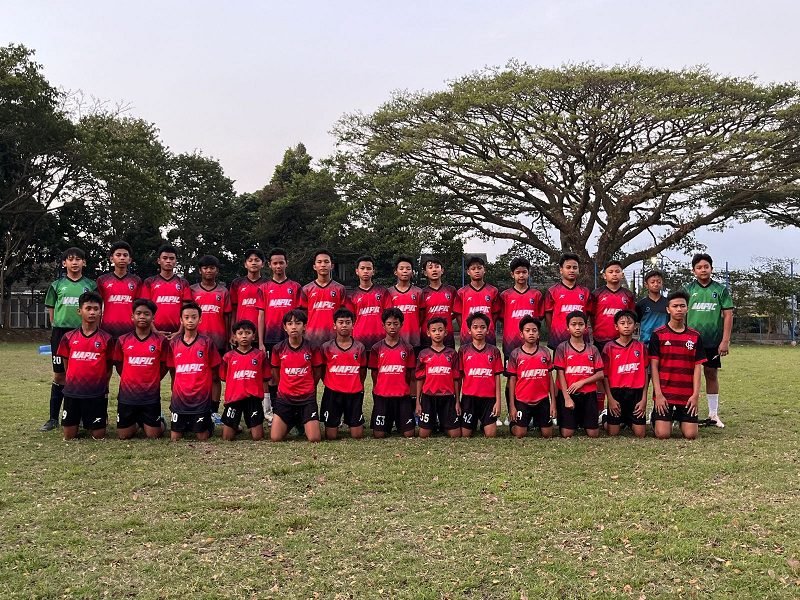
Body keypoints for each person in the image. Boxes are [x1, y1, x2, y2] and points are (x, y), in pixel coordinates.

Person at [41, 247, 97, 431]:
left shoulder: (90, 285)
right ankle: (53, 418)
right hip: (60, 334)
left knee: (80, 374)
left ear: (84, 263)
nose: (74, 262)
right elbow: (52, 311)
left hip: (83, 333)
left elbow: (96, 309)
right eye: (70, 259)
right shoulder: (56, 285)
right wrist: (57, 327)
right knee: (60, 375)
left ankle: (78, 416)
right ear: (64, 263)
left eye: (78, 259)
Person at [684, 253, 734, 428]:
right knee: (687, 376)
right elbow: (679, 313)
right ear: (694, 271)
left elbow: (728, 315)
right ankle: (685, 413)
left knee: (711, 373)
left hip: (713, 341)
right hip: (690, 341)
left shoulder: (720, 290)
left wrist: (725, 340)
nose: (703, 270)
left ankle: (713, 414)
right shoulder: (688, 290)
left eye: (706, 267)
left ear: (711, 268)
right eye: (699, 267)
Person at [649, 291, 706, 440]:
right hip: (665, 394)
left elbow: (697, 368)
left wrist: (695, 395)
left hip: (686, 394)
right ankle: (656, 416)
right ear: (668, 309)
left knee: (691, 435)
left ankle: (679, 418)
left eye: (682, 306)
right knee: (663, 434)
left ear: (687, 308)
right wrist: (658, 394)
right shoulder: (658, 334)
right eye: (675, 306)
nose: (679, 309)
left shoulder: (695, 336)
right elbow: (654, 366)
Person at [56, 292, 113, 440]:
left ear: (100, 312)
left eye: (96, 309)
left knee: (98, 436)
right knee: (69, 436)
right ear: (79, 311)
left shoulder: (107, 338)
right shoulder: (68, 337)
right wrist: (72, 381)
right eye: (88, 308)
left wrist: (102, 386)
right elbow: (67, 364)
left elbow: (108, 368)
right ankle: (78, 419)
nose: (92, 312)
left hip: (96, 393)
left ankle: (92, 420)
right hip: (73, 392)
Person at [256, 247, 303, 420]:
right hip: (270, 339)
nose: (278, 266)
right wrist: (261, 342)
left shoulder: (295, 287)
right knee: (271, 376)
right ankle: (272, 412)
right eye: (275, 263)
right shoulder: (264, 288)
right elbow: (261, 316)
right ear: (269, 265)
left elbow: (300, 316)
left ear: (286, 264)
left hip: (291, 340)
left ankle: (293, 411)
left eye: (281, 263)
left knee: (290, 374)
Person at [113, 299, 168, 440]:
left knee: (153, 435)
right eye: (138, 313)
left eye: (146, 314)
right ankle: (138, 422)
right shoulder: (122, 340)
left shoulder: (160, 341)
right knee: (124, 436)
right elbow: (119, 365)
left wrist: (153, 379)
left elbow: (164, 366)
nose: (142, 317)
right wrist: (129, 378)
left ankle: (160, 420)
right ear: (132, 317)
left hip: (150, 396)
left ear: (153, 318)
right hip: (127, 397)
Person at [166, 302, 222, 441]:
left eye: (194, 317)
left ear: (200, 319)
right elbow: (173, 373)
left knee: (202, 437)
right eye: (186, 317)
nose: (190, 320)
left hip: (200, 401)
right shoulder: (174, 344)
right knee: (175, 438)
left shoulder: (207, 343)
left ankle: (208, 421)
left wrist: (213, 404)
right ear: (181, 320)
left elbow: (215, 376)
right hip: (180, 401)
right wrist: (175, 397)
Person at [499, 256, 544, 424]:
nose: (521, 275)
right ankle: (511, 414)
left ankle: (534, 415)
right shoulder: (505, 295)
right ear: (512, 274)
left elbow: (539, 317)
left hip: (532, 346)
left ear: (528, 273)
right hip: (511, 345)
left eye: (524, 272)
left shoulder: (536, 295)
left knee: (533, 378)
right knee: (511, 378)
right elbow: (500, 317)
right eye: (518, 272)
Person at [269, 310, 324, 442]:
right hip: (285, 398)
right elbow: (275, 371)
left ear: (304, 326)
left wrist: (309, 386)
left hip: (306, 399)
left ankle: (301, 420)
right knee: (275, 437)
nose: (294, 327)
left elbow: (317, 371)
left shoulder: (312, 347)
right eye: (290, 324)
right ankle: (293, 421)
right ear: (285, 327)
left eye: (298, 323)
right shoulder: (278, 348)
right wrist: (284, 385)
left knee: (314, 438)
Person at [191, 255, 232, 419]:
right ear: (200, 270)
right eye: (205, 268)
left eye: (212, 268)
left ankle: (214, 412)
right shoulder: (193, 290)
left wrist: (228, 339)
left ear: (217, 270)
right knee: (197, 376)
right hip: (197, 342)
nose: (209, 270)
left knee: (215, 377)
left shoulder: (223, 291)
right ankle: (197, 409)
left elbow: (227, 317)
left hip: (218, 341)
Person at [553, 310, 604, 439]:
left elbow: (600, 374)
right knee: (567, 433)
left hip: (588, 394)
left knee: (593, 434)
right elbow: (560, 374)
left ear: (585, 327)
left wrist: (582, 382)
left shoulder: (593, 349)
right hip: (569, 394)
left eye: (581, 324)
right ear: (568, 327)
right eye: (573, 324)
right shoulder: (562, 348)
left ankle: (596, 418)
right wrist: (567, 398)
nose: (577, 327)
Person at [368, 308, 417, 438]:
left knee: (409, 434)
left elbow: (410, 375)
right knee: (379, 434)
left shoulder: (408, 348)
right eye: (389, 324)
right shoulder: (376, 348)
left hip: (402, 396)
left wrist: (410, 395)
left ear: (401, 325)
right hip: (383, 396)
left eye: (396, 324)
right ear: (383, 325)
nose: (392, 327)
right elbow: (374, 373)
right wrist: (377, 390)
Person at [319, 308, 367, 440]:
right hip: (332, 393)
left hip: (354, 393)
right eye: (341, 322)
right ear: (334, 325)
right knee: (330, 436)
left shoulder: (360, 347)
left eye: (348, 322)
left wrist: (357, 384)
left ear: (353, 325)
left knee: (357, 435)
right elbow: (322, 370)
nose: (344, 325)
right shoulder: (326, 347)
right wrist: (330, 383)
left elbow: (362, 371)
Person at [506, 316, 556, 439]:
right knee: (520, 433)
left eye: (534, 330)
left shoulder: (545, 352)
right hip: (522, 400)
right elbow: (512, 381)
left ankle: (536, 421)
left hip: (542, 400)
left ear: (539, 334)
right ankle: (514, 423)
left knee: (547, 434)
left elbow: (550, 378)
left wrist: (553, 403)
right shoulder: (515, 354)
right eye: (527, 330)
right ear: (521, 334)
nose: (531, 333)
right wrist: (512, 406)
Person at [219, 320, 269, 441]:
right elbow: (224, 377)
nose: (244, 336)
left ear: (254, 336)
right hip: (234, 399)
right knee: (227, 437)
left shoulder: (260, 355)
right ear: (234, 337)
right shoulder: (228, 357)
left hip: (253, 399)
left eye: (248, 333)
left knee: (257, 437)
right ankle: (235, 426)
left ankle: (252, 424)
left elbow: (265, 377)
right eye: (240, 333)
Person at [601, 310, 648, 438]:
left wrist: (644, 398)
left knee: (640, 434)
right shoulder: (609, 347)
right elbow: (605, 376)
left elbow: (645, 373)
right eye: (622, 323)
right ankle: (605, 417)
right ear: (616, 326)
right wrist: (610, 399)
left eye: (629, 323)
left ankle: (628, 420)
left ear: (635, 326)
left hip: (636, 393)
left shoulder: (641, 347)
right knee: (613, 433)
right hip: (616, 393)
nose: (626, 326)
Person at [458, 312, 503, 438]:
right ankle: (472, 423)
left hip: (488, 399)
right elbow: (459, 378)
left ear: (487, 330)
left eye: (482, 327)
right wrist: (457, 401)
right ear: (469, 330)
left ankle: (484, 423)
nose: (479, 330)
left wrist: (498, 402)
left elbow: (497, 377)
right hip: (469, 399)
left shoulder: (494, 351)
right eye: (475, 327)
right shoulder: (463, 350)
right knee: (465, 434)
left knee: (491, 435)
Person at [415, 317, 462, 439]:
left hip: (447, 397)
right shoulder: (423, 354)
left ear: (445, 332)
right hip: (428, 397)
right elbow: (420, 379)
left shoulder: (452, 354)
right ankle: (434, 423)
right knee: (423, 435)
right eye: (434, 330)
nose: (437, 333)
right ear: (428, 333)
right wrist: (418, 402)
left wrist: (457, 401)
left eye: (440, 330)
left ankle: (443, 424)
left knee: (455, 435)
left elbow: (456, 379)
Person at [141, 244, 192, 339]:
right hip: (154, 334)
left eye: (172, 258)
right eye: (165, 258)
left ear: (175, 261)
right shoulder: (149, 282)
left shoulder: (183, 283)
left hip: (177, 334)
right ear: (159, 261)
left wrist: (180, 332)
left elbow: (187, 310)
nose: (168, 261)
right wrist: (154, 331)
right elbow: (145, 309)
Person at [544, 253, 592, 352]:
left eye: (575, 268)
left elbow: (587, 313)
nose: (572, 270)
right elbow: (548, 313)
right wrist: (553, 330)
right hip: (559, 338)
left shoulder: (585, 292)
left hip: (581, 338)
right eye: (568, 267)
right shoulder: (552, 291)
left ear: (578, 270)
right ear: (561, 270)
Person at [300, 249, 347, 349]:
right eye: (319, 262)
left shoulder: (340, 289)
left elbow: (345, 315)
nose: (323, 265)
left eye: (326, 262)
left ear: (332, 266)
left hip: (335, 338)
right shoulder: (306, 289)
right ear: (314, 266)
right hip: (312, 338)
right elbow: (302, 316)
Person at [96, 241, 142, 340]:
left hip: (130, 330)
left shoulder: (136, 280)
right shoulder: (102, 280)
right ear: (111, 258)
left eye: (125, 255)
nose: (122, 258)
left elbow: (139, 307)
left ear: (129, 260)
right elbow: (97, 306)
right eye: (118, 255)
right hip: (107, 329)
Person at [346, 255, 390, 357]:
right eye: (362, 268)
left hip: (381, 340)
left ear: (373, 271)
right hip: (359, 341)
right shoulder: (351, 295)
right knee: (360, 367)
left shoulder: (383, 292)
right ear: (357, 271)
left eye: (369, 268)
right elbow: (349, 320)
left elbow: (389, 317)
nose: (365, 271)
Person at [454, 255, 501, 346]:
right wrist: (466, 327)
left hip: (488, 334)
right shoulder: (461, 292)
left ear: (484, 270)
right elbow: (458, 314)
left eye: (479, 268)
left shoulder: (493, 291)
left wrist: (489, 326)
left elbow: (495, 313)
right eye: (473, 269)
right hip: (467, 335)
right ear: (468, 272)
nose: (476, 271)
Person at [386, 256, 424, 353]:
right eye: (401, 268)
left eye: (408, 268)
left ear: (412, 272)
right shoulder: (389, 293)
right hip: (394, 341)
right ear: (395, 272)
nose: (405, 271)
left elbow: (421, 316)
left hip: (414, 340)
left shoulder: (418, 292)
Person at [420, 257, 457, 349]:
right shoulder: (421, 293)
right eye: (430, 267)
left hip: (447, 335)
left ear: (442, 270)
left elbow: (456, 311)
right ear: (425, 273)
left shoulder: (451, 290)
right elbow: (420, 316)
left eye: (437, 267)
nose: (434, 270)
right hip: (427, 336)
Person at [230, 248, 267, 335]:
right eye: (250, 260)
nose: (253, 263)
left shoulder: (267, 284)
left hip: (262, 332)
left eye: (257, 260)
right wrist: (232, 333)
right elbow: (233, 310)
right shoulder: (237, 283)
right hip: (241, 332)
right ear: (245, 264)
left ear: (262, 264)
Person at [635, 269, 668, 347]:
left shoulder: (668, 303)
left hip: (664, 343)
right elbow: (636, 323)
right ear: (646, 285)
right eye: (652, 282)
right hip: (645, 344)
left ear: (662, 283)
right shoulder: (641, 304)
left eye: (659, 282)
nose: (656, 284)